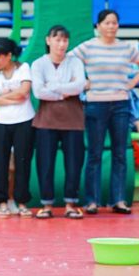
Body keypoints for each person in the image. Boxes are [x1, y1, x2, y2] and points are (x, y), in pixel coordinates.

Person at [71, 9, 139, 214]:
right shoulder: (88, 47)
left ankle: (118, 200)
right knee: (95, 154)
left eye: (114, 23)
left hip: (120, 104)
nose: (111, 26)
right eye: (107, 23)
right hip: (95, 104)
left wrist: (133, 82)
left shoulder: (126, 48)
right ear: (98, 26)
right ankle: (92, 201)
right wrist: (82, 82)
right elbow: (68, 61)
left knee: (119, 154)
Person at [31, 25, 86, 219]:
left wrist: (53, 87)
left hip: (73, 120)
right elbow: (38, 92)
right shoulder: (38, 64)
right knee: (45, 164)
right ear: (48, 41)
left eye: (64, 40)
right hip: (46, 121)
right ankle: (46, 205)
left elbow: (79, 86)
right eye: (57, 39)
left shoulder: (75, 62)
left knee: (74, 163)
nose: (61, 44)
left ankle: (71, 203)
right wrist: (65, 91)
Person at [0, 38, 35, 218]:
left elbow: (25, 91)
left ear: (8, 56)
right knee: (0, 163)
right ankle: (2, 202)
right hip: (1, 122)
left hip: (24, 120)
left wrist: (3, 97)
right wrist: (10, 98)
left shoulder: (23, 68)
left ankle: (22, 202)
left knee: (23, 162)